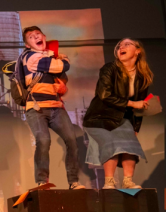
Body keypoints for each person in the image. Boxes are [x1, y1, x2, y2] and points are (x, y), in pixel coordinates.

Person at [20, 26, 85, 189]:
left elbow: (62, 79)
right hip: (36, 108)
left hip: (56, 107)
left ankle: (73, 181)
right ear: (27, 45)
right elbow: (62, 66)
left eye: (38, 34)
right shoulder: (30, 57)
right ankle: (42, 181)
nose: (35, 37)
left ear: (44, 36)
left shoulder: (48, 57)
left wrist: (63, 87)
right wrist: (63, 60)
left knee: (72, 140)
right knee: (43, 140)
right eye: (31, 37)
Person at [83, 38, 152, 189]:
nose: (122, 47)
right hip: (99, 117)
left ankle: (128, 181)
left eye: (127, 44)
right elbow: (105, 95)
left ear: (138, 51)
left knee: (130, 145)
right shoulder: (109, 69)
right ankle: (109, 182)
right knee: (112, 143)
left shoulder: (142, 76)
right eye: (120, 45)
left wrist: (135, 128)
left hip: (122, 118)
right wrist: (133, 103)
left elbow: (140, 106)